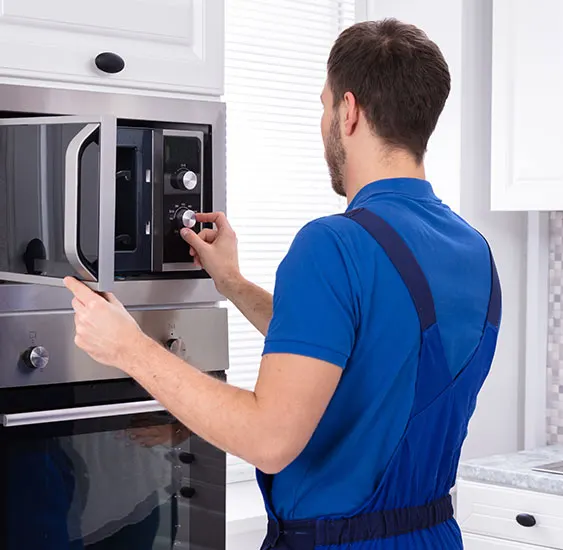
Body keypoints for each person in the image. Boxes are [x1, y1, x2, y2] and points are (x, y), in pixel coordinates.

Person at [62, 17, 500, 550]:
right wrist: (233, 283)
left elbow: (269, 439)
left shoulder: (333, 243)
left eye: (324, 105)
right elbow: (364, 351)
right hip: (434, 535)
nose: (324, 122)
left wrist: (128, 348)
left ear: (349, 111)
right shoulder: (474, 251)